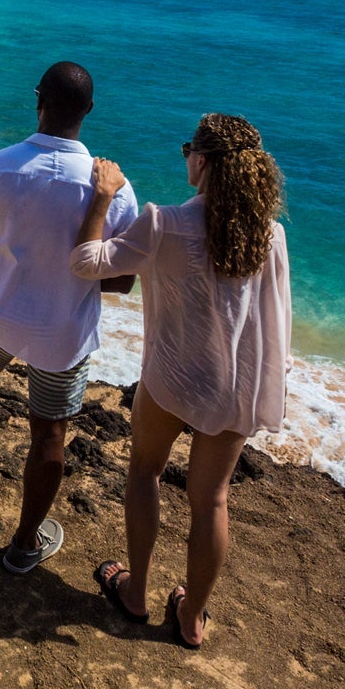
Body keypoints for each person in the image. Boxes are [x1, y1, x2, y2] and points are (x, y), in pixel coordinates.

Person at [71, 114, 290, 650]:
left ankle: (137, 593)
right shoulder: (270, 233)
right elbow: (275, 315)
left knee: (144, 473)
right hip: (233, 385)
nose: (186, 155)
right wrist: (270, 384)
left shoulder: (163, 221)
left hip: (171, 378)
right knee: (211, 501)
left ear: (205, 161)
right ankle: (191, 616)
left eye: (190, 147)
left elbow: (86, 262)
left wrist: (104, 196)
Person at [0, 62, 138, 574]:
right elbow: (123, 281)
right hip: (64, 334)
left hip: (0, 313)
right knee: (48, 435)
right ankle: (22, 545)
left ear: (36, 98)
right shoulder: (117, 190)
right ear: (88, 111)